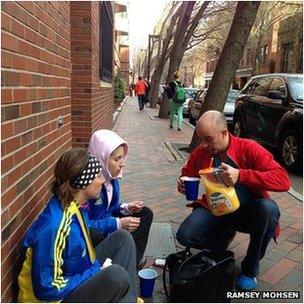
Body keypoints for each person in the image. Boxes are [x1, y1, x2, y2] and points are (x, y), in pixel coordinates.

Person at [176, 111, 291, 291]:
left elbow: (283, 180)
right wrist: (182, 182)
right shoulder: (202, 152)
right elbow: (188, 174)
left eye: (208, 138)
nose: (204, 145)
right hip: (214, 209)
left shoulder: (249, 148)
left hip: (248, 211)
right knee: (185, 235)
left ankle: (250, 269)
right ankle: (222, 238)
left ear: (224, 133)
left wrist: (241, 175)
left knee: (268, 210)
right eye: (201, 139)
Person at [18, 148, 138, 303]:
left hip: (77, 273)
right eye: (98, 175)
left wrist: (95, 270)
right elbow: (47, 288)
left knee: (123, 238)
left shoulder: (75, 205)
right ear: (84, 182)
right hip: (58, 298)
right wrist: (94, 271)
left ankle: (129, 300)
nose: (102, 180)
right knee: (116, 275)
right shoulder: (54, 226)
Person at [88, 129, 153, 267]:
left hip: (109, 227)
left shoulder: (112, 177)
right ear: (101, 158)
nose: (122, 164)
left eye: (123, 157)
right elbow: (83, 224)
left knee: (145, 213)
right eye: (117, 159)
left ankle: (132, 259)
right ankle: (122, 262)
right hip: (95, 235)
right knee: (99, 234)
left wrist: (126, 207)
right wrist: (118, 224)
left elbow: (110, 208)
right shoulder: (89, 187)